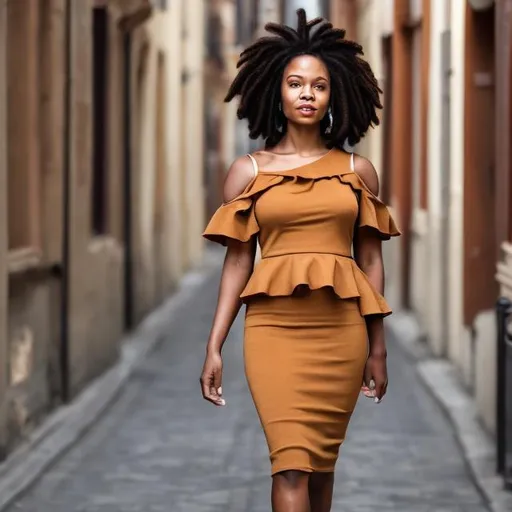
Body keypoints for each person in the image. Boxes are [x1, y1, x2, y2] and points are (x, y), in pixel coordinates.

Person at [199, 8, 400, 512]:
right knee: (289, 463)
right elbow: (238, 264)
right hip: (274, 332)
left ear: (335, 95)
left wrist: (378, 347)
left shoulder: (358, 171)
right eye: (295, 83)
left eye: (319, 85)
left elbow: (370, 264)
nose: (307, 93)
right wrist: (215, 345)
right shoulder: (247, 173)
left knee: (320, 467)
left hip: (342, 333)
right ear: (277, 92)